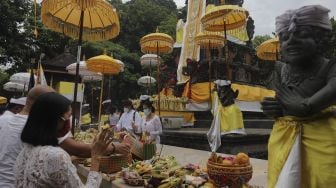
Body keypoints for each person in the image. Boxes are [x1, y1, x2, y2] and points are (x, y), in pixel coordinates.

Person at [261, 5, 336, 188]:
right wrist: (276, 110)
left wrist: (305, 106)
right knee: (283, 179)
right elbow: (285, 102)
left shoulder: (330, 67)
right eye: (285, 38)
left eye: (301, 34)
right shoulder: (282, 69)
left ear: (320, 40)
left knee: (323, 178)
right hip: (284, 137)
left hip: (323, 138)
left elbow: (326, 93)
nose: (291, 41)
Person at [0, 85, 130, 187]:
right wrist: (96, 158)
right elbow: (74, 152)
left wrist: (68, 159)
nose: (68, 123)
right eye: (67, 117)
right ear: (54, 118)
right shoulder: (55, 155)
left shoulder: (26, 150)